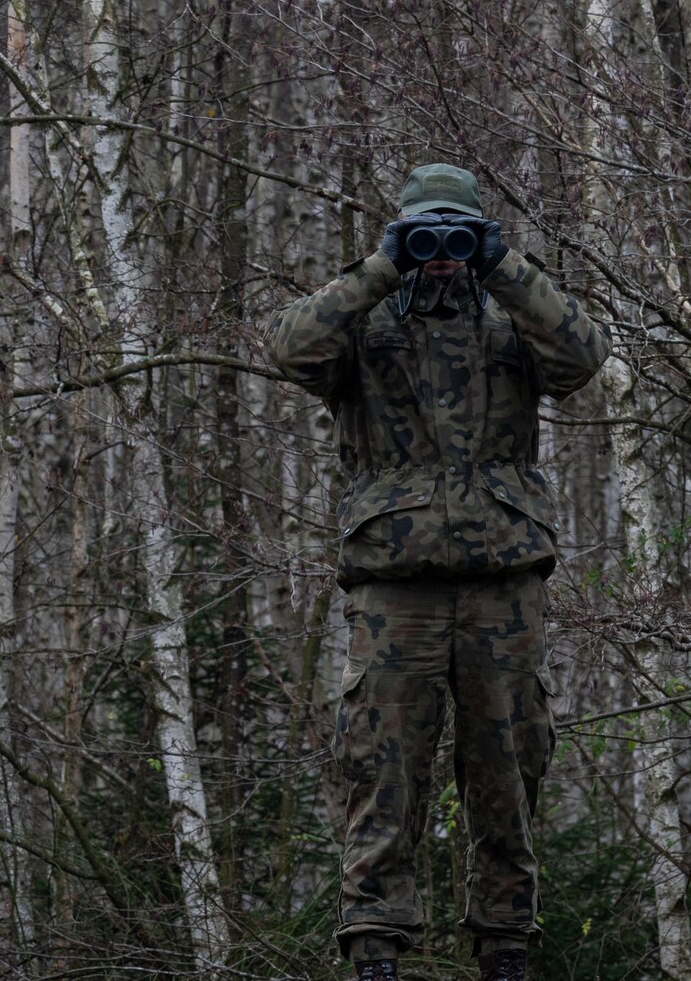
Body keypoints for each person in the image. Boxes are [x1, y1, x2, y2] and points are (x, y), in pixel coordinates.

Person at [268, 163, 610, 981]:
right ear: (405, 230)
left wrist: (508, 268)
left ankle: (505, 940)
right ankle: (375, 942)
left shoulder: (509, 317)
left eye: (457, 233)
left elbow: (583, 356)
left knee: (510, 758)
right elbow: (291, 347)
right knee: (380, 760)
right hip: (394, 581)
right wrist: (382, 266)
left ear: (480, 232)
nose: (443, 251)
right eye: (429, 233)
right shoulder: (369, 317)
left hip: (503, 576)